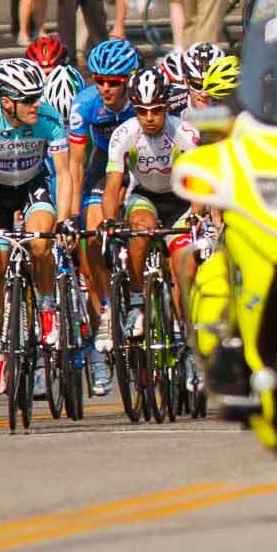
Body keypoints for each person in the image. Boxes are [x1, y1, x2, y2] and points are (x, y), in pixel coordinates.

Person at [0, 58, 76, 397]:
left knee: (41, 242)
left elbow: (64, 173)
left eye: (37, 96)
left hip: (33, 187)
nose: (35, 104)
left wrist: (66, 219)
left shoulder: (49, 118)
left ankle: (46, 307)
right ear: (5, 100)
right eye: (27, 99)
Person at [95, 67, 200, 396]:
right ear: (135, 108)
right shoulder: (124, 134)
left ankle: (189, 343)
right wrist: (110, 223)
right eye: (142, 111)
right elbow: (114, 185)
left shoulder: (184, 131)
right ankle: (138, 302)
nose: (150, 118)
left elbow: (200, 181)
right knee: (139, 231)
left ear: (167, 107)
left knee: (185, 266)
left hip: (181, 200)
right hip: (145, 198)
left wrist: (196, 216)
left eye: (156, 111)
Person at [73, 38, 139, 365]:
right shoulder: (85, 103)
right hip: (102, 165)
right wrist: (71, 211)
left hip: (138, 164)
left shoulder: (143, 98)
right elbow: (72, 164)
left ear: (129, 79)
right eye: (99, 80)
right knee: (94, 238)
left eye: (113, 82)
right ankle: (105, 310)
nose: (105, 88)